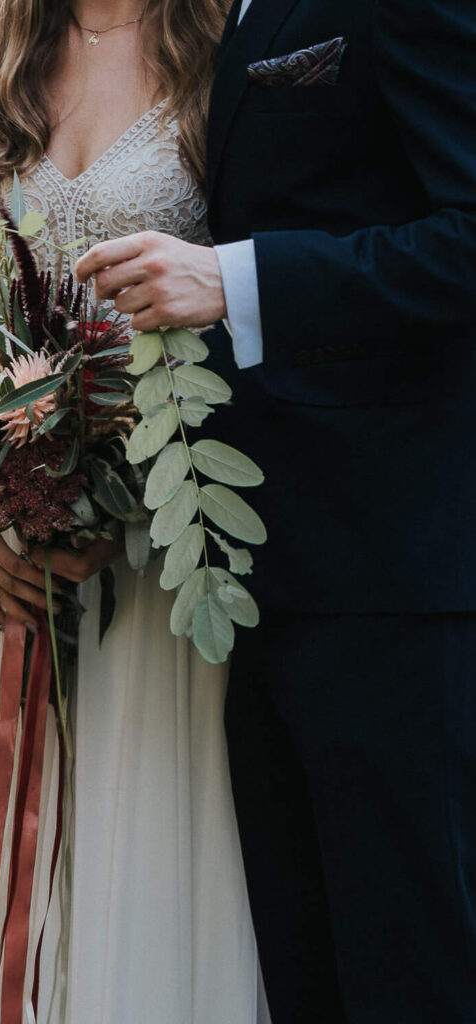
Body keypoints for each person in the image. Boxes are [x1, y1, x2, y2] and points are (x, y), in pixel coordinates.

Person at [73, 0, 476, 1019]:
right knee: (307, 970)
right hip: (256, 562)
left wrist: (236, 277)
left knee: (415, 968)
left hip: (398, 569)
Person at [0, 2, 271, 1022]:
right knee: (7, 842)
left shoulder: (229, 47)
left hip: (169, 532)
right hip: (2, 538)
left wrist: (135, 476)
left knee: (147, 826)